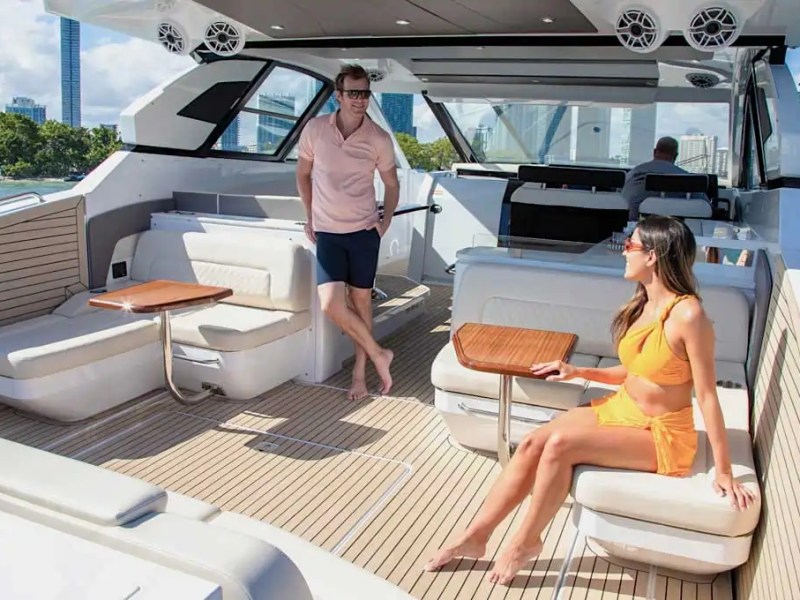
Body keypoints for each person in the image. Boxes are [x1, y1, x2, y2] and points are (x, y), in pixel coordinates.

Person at [424, 215, 756, 585]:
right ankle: (477, 535)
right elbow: (634, 371)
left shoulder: (688, 315)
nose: (623, 251)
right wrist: (579, 371)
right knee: (534, 441)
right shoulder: (642, 303)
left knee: (560, 445)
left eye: (630, 245)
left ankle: (525, 542)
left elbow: (707, 396)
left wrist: (724, 470)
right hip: (624, 409)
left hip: (662, 434)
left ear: (653, 256)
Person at [296, 64, 399, 400]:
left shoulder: (379, 139)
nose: (359, 100)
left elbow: (391, 184)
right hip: (327, 232)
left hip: (363, 233)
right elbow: (303, 174)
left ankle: (359, 376)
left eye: (365, 93)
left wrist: (386, 221)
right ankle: (379, 353)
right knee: (330, 304)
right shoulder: (314, 129)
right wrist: (309, 215)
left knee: (361, 304)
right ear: (338, 96)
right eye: (353, 93)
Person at [622, 136, 708, 220]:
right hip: (675, 228)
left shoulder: (634, 173)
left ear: (654, 152)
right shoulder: (688, 179)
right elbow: (706, 206)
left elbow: (625, 198)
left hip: (637, 225)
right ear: (675, 156)